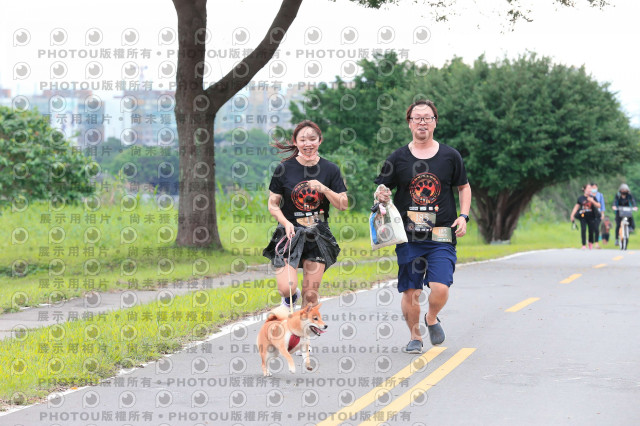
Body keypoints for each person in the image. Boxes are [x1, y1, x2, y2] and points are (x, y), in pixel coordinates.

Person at [373, 99, 471, 354]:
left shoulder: (450, 156)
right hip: (409, 235)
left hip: (442, 233)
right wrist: (380, 194)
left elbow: (464, 187)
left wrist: (464, 216)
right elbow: (382, 188)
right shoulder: (397, 158)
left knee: (440, 287)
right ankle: (415, 336)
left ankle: (432, 317)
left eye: (427, 118)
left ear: (435, 122)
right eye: (417, 118)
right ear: (409, 123)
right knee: (411, 290)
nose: (422, 122)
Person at [263, 120, 348, 309]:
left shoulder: (330, 169)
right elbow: (272, 204)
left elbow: (343, 204)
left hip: (318, 235)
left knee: (310, 295)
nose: (307, 143)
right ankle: (290, 298)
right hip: (289, 233)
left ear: (319, 141)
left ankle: (304, 328)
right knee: (287, 288)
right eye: (302, 140)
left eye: (312, 139)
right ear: (295, 142)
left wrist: (325, 189)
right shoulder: (284, 169)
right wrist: (285, 223)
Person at [569, 184, 600, 250]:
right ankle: (583, 244)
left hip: (591, 216)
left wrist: (592, 201)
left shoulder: (593, 197)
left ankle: (590, 242)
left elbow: (599, 205)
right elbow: (576, 207)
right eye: (588, 188)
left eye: (590, 188)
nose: (590, 189)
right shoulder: (581, 198)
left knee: (591, 230)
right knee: (583, 229)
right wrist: (572, 215)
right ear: (585, 189)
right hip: (583, 216)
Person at [590, 182, 605, 249]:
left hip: (598, 213)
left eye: (595, 187)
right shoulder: (589, 195)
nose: (594, 189)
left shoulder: (600, 195)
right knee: (591, 228)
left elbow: (602, 205)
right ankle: (590, 241)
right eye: (593, 187)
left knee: (596, 228)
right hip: (590, 213)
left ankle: (596, 243)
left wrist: (602, 214)